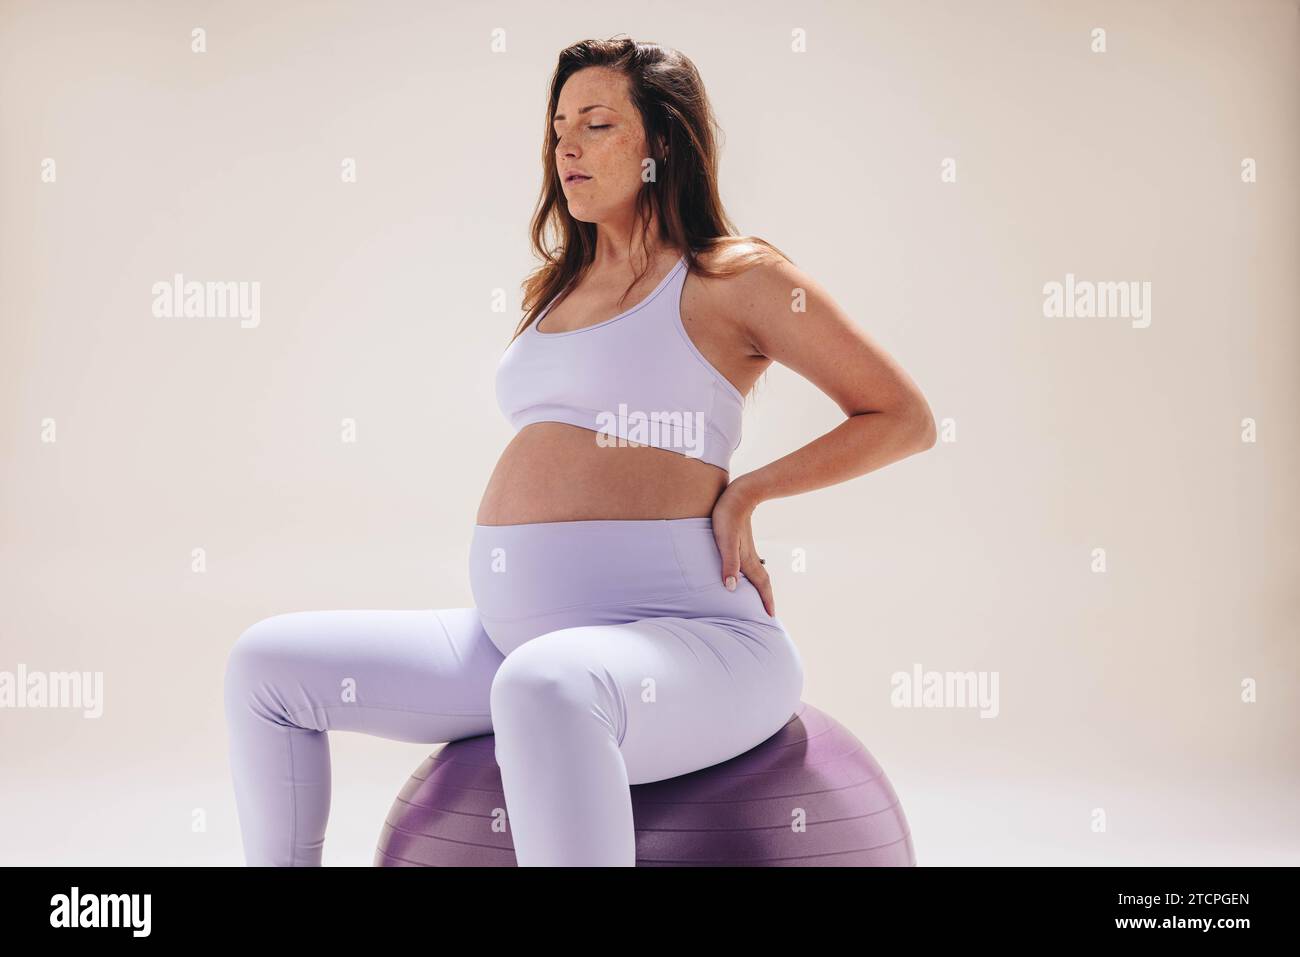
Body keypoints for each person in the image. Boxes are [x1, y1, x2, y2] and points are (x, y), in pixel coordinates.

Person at [222, 36, 937, 867]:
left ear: (660, 144)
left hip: (693, 637)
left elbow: (901, 414)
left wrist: (748, 494)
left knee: (546, 687)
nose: (566, 145)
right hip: (513, 639)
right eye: (559, 125)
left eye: (597, 124)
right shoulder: (560, 284)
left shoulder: (731, 278)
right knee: (266, 666)